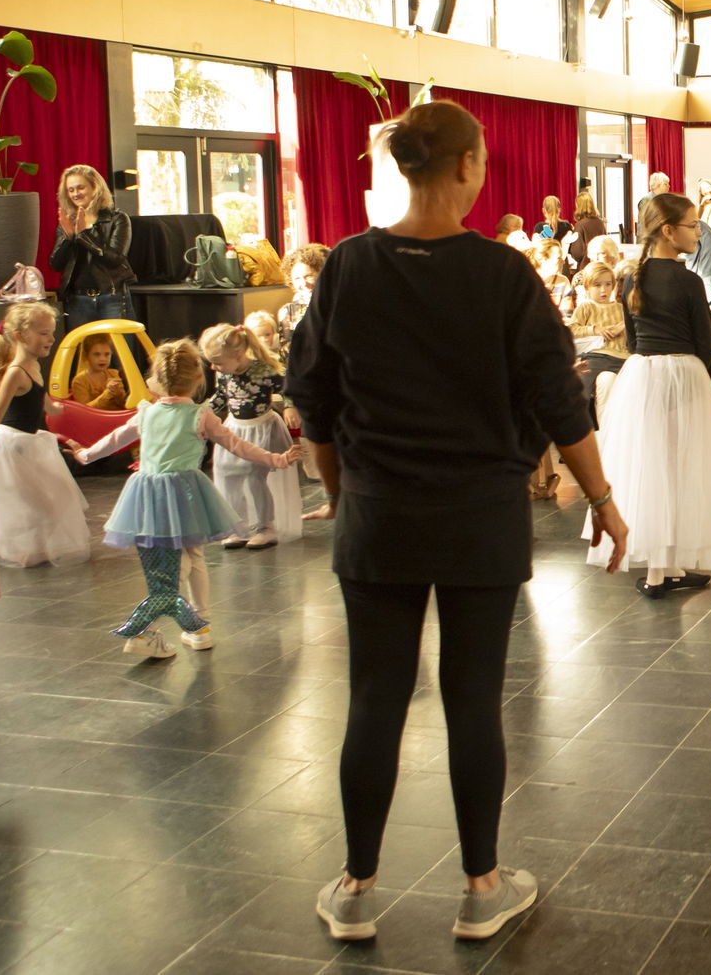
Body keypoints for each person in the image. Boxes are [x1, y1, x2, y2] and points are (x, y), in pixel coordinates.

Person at [283, 101, 622, 943]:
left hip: (378, 518)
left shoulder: (350, 267)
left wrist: (343, 485)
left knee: (374, 698)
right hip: (479, 519)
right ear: (469, 165)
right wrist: (605, 499)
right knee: (474, 701)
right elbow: (558, 398)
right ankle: (481, 885)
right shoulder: (503, 276)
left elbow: (316, 402)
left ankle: (358, 886)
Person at [70, 339, 294, 659]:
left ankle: (184, 628)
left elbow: (115, 439)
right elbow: (237, 445)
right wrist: (276, 459)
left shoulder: (146, 413)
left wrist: (85, 455)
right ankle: (193, 627)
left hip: (150, 494)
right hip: (186, 493)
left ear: (157, 379)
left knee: (173, 562)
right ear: (198, 380)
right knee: (192, 557)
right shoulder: (200, 415)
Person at [595, 194, 711, 598]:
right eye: (693, 226)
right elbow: (702, 341)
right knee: (679, 467)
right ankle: (661, 572)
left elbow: (634, 336)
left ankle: (666, 567)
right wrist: (705, 380)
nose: (698, 232)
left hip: (643, 372)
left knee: (653, 467)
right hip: (682, 371)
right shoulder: (688, 280)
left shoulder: (633, 278)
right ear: (668, 230)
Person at [0, 301, 91, 569]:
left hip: (30, 443)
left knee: (46, 496)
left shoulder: (34, 367)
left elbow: (46, 405)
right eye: (44, 333)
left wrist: (67, 417)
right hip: (11, 445)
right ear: (20, 336)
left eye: (51, 332)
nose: (51, 338)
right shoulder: (15, 373)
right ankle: (21, 548)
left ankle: (35, 547)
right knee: (28, 499)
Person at [200, 322, 304, 549]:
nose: (213, 367)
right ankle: (238, 526)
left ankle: (265, 527)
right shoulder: (224, 374)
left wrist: (289, 407)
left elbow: (287, 387)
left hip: (261, 429)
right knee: (228, 475)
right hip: (235, 428)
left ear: (237, 354)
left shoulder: (264, 370)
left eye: (217, 362)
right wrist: (199, 412)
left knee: (255, 478)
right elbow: (220, 396)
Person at [50, 164, 135, 333]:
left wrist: (84, 234)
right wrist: (69, 238)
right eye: (71, 190)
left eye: (80, 187)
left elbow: (115, 259)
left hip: (112, 298)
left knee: (119, 356)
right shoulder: (69, 222)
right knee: (83, 356)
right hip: (78, 301)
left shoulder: (117, 218)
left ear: (95, 188)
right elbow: (56, 264)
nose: (75, 194)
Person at [569, 261, 628, 427]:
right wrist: (595, 329)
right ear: (587, 287)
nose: (603, 290)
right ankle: (578, 430)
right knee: (582, 392)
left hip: (621, 357)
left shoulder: (620, 308)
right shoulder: (586, 307)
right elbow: (572, 329)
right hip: (596, 355)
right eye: (597, 285)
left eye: (608, 284)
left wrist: (623, 325)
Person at [279, 243, 330, 349]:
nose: (304, 284)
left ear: (321, 274)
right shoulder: (287, 312)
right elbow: (286, 351)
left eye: (309, 276)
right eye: (297, 278)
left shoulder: (336, 304)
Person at [70, 331, 127, 408]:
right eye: (97, 354)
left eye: (107, 354)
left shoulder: (114, 373)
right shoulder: (79, 381)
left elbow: (123, 405)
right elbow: (85, 411)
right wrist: (107, 393)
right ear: (86, 356)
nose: (102, 359)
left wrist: (118, 393)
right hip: (94, 419)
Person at [569, 192, 608, 270]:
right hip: (600, 267)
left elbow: (577, 253)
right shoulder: (600, 223)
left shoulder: (580, 225)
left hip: (586, 268)